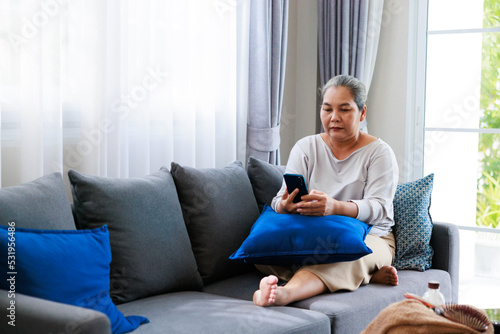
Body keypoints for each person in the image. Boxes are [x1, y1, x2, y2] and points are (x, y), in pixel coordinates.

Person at [253, 74, 399, 307]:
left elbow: (379, 208)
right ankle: (367, 275)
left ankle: (283, 293)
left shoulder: (379, 153)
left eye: (344, 109)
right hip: (316, 234)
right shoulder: (306, 147)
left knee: (348, 257)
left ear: (362, 113)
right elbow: (278, 200)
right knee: (269, 249)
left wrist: (335, 207)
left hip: (370, 235)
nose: (334, 118)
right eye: (327, 109)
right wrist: (285, 205)